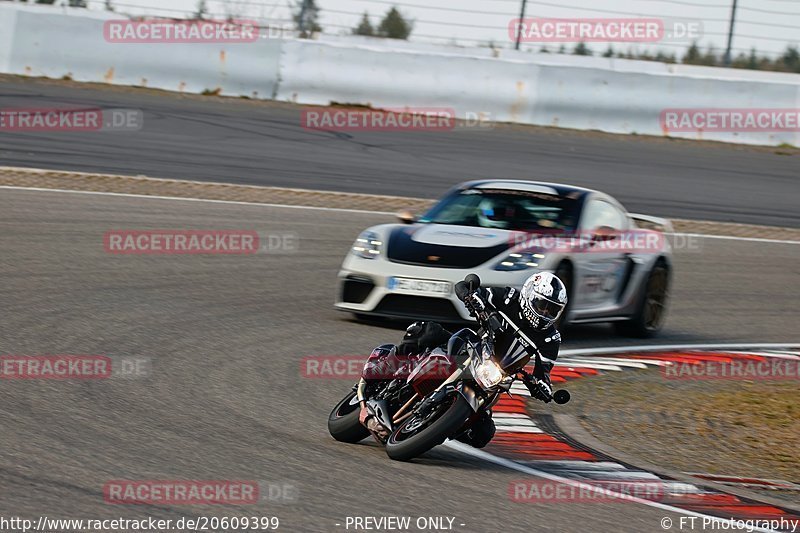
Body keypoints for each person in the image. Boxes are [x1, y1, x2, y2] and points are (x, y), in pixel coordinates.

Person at [358, 271, 568, 446]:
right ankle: (383, 368)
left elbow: (544, 373)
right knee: (426, 332)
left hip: (494, 376)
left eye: (553, 310)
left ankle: (437, 425)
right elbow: (469, 289)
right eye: (543, 305)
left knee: (483, 434)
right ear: (529, 295)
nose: (546, 313)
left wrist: (542, 387)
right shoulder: (509, 298)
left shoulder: (550, 338)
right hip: (473, 348)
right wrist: (471, 296)